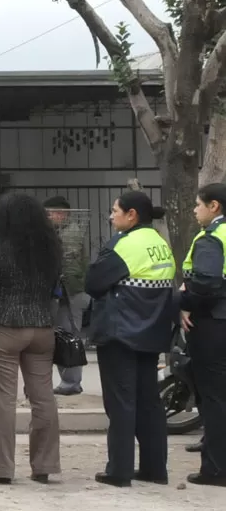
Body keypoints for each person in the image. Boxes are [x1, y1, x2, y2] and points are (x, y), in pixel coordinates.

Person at [0, 193, 63, 484]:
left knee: (4, 400)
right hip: (42, 327)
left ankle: (3, 468)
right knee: (44, 398)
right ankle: (45, 465)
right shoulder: (52, 247)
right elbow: (54, 286)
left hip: (4, 326)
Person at [87, 190, 176, 487]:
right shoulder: (159, 243)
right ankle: (154, 469)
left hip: (120, 333)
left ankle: (119, 470)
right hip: (151, 333)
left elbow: (94, 282)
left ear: (132, 215)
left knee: (121, 403)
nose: (112, 216)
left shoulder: (126, 245)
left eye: (115, 211)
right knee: (149, 403)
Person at [181, 182, 226, 487]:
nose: (195, 210)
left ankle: (215, 468)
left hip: (212, 323)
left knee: (214, 398)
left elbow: (207, 284)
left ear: (214, 207)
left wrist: (184, 301)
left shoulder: (211, 238)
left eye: (198, 204)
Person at [45, 197, 91, 396]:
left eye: (50, 213)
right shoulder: (63, 232)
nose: (47, 217)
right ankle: (69, 381)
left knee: (68, 337)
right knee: (64, 336)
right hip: (69, 292)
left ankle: (71, 382)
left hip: (69, 293)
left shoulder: (70, 234)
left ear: (61, 214)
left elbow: (68, 266)